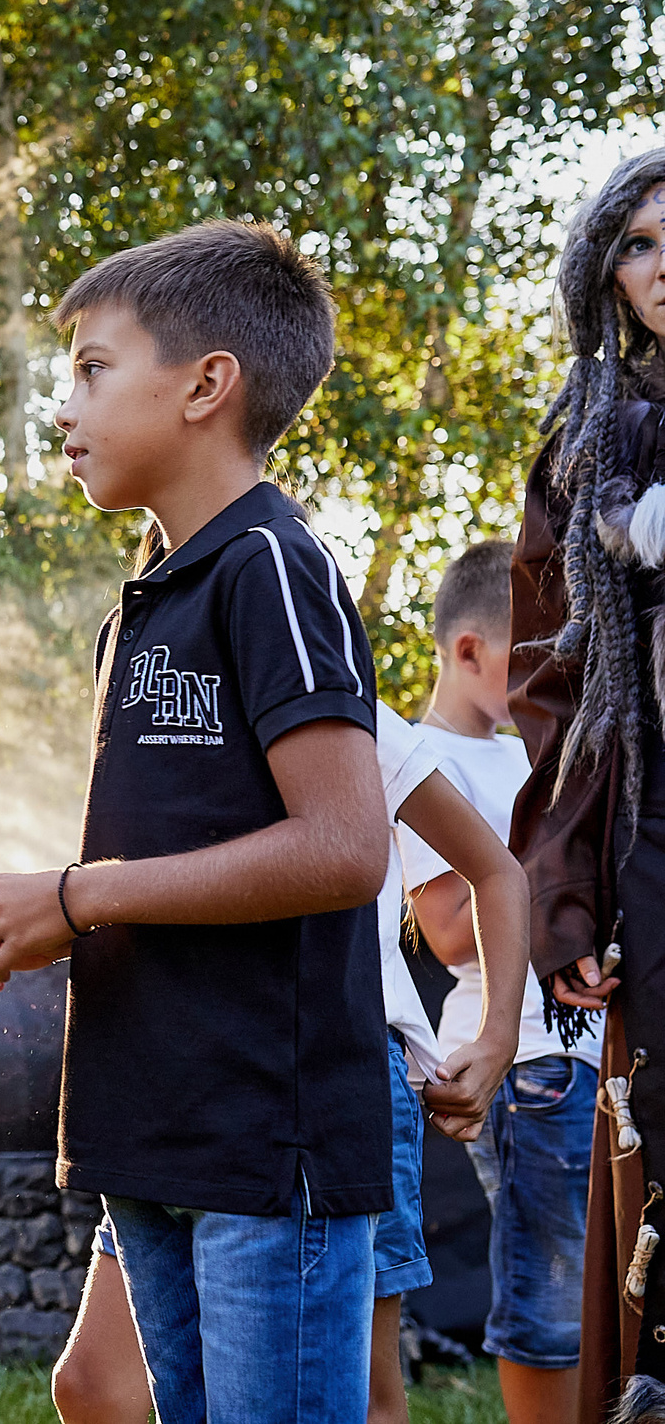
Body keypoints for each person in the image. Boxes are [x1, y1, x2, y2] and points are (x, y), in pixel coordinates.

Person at [0, 220, 396, 1424]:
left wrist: (79, 892)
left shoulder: (271, 565)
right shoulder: (143, 598)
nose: (63, 405)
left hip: (260, 1147)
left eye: (93, 367)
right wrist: (44, 910)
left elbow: (347, 846)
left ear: (205, 384)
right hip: (149, 1133)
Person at [44, 700, 527, 1424]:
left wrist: (496, 1038)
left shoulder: (338, 700)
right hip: (188, 1078)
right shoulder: (168, 699)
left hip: (335, 1078)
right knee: (92, 1384)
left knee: (362, 1397)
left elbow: (493, 868)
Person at [506, 146, 665, 1424]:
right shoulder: (584, 443)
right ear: (604, 273)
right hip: (651, 829)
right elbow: (549, 694)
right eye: (640, 243)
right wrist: (563, 896)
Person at [403, 539, 592, 1424]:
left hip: (592, 1052)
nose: (543, 676)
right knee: (552, 1298)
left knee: (609, 1282)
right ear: (468, 650)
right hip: (525, 1069)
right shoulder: (416, 759)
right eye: (529, 655)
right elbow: (449, 932)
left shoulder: (531, 753)